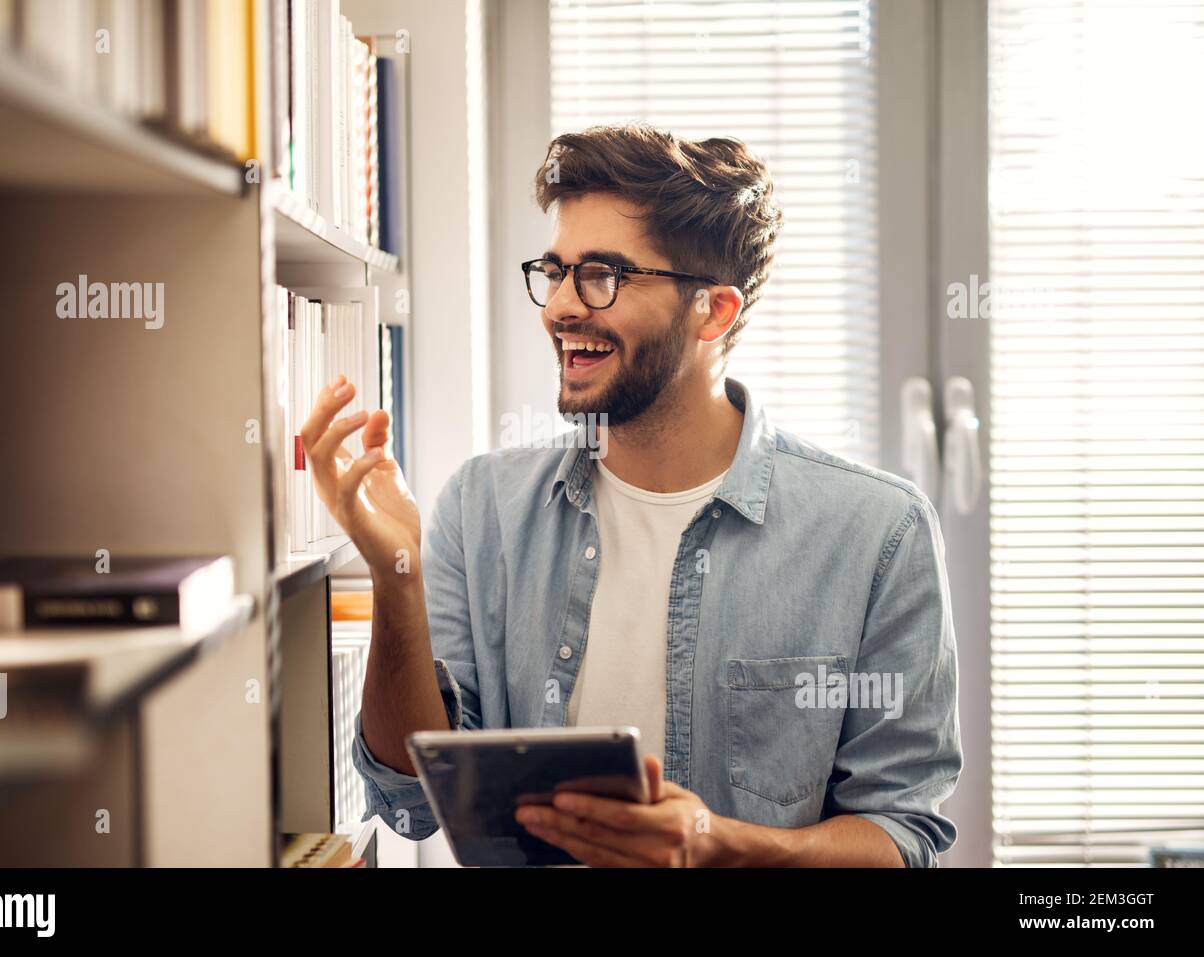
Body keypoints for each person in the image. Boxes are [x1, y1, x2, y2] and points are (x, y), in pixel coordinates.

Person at [301, 124, 961, 867]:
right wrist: (398, 577)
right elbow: (410, 800)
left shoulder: (879, 534)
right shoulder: (481, 508)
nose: (558, 308)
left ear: (714, 312)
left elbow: (903, 834)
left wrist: (716, 845)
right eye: (554, 271)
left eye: (603, 276)